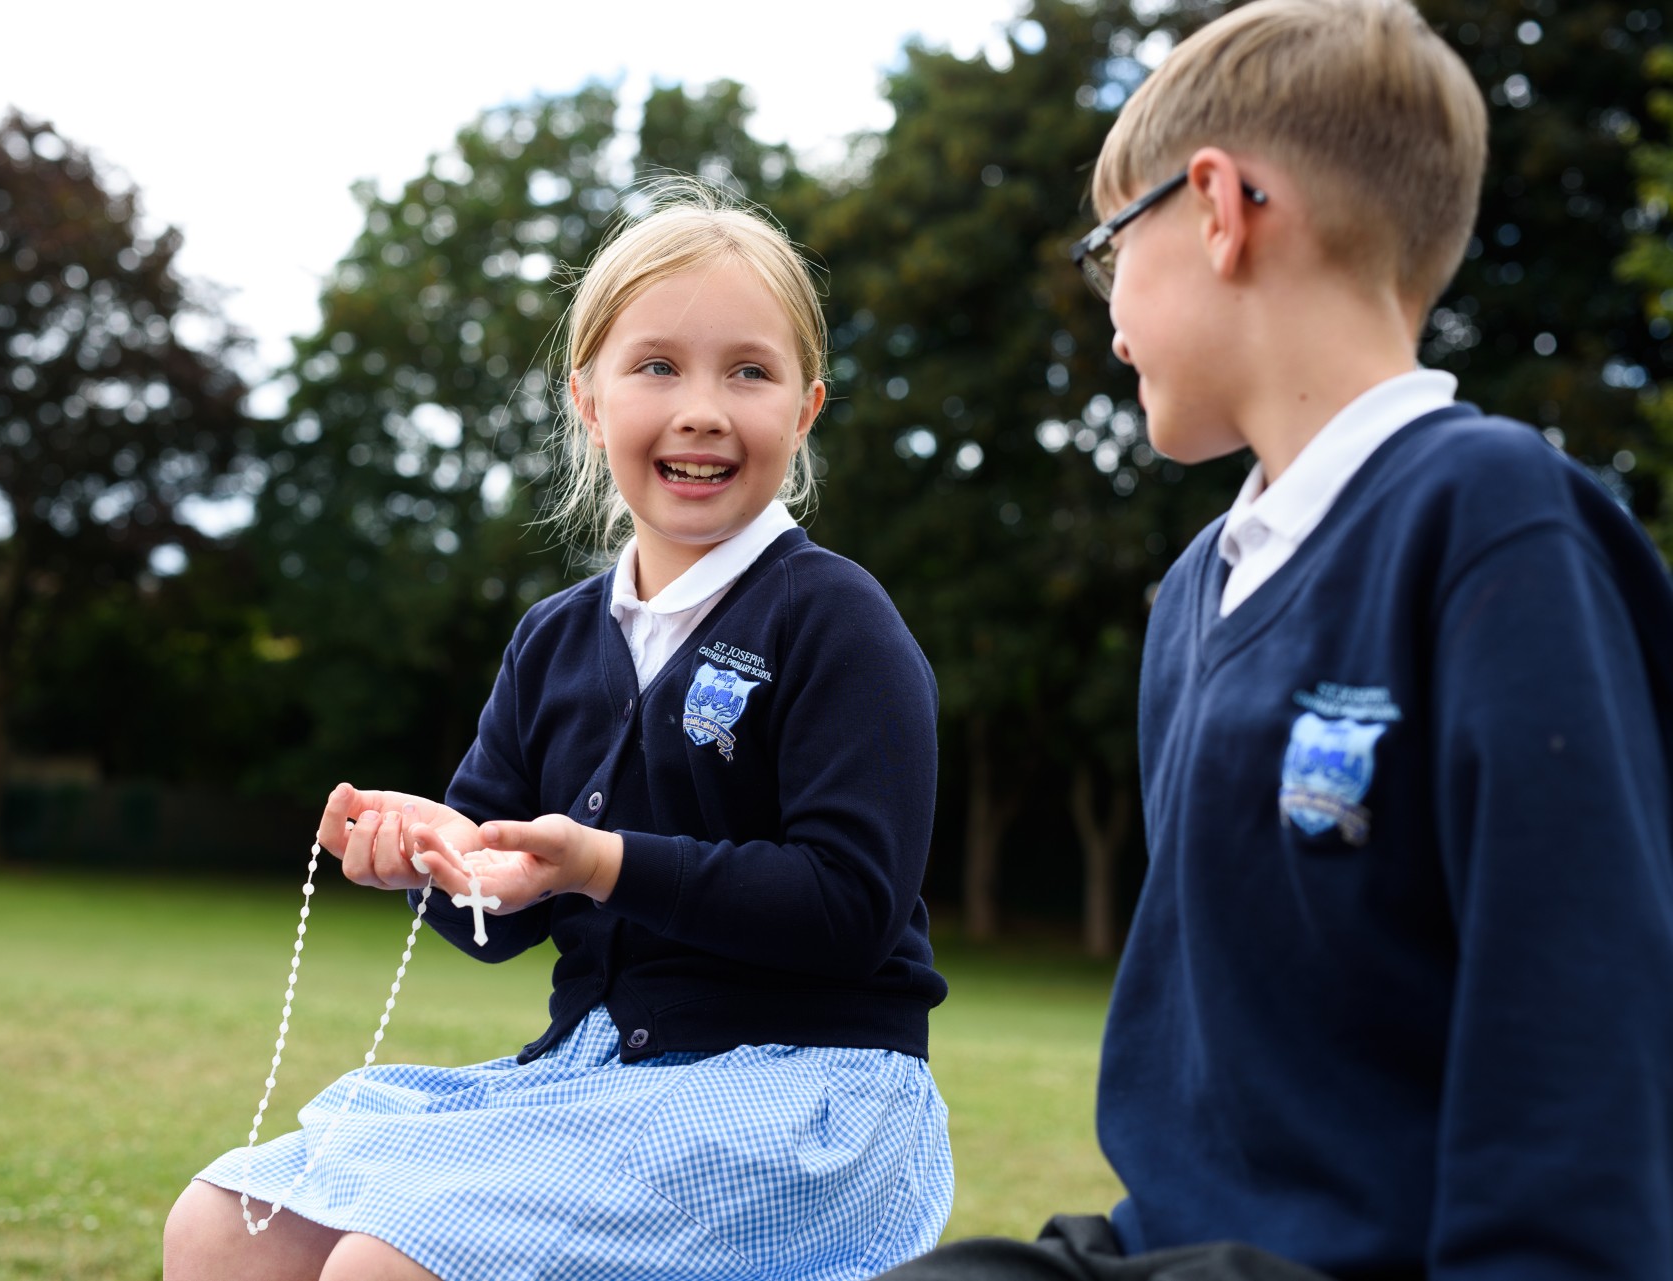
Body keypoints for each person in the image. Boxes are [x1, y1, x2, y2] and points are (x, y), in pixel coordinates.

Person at [880, 1, 1673, 1278]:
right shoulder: (1199, 587)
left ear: (1216, 209)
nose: (1109, 310)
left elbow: (1580, 1050)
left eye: (1106, 250)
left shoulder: (1492, 518)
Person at [164, 187, 955, 1281]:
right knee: (217, 1226)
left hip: (806, 1091)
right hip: (595, 1075)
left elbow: (847, 908)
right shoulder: (554, 641)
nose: (702, 408)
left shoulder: (834, 619)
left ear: (807, 408)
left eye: (749, 372)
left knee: (382, 1267)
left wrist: (607, 865)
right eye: (658, 367)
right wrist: (427, 860)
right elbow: (497, 917)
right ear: (587, 401)